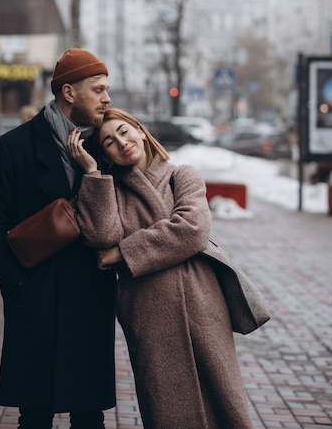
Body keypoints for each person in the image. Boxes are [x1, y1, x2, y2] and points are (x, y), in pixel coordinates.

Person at [68, 107, 254, 429]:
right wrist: (93, 173)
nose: (122, 143)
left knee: (223, 399)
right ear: (106, 154)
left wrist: (124, 253)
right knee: (165, 407)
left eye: (124, 132)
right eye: (110, 142)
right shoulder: (108, 189)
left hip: (200, 301)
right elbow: (101, 235)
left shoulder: (181, 175)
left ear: (140, 130)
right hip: (147, 311)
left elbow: (192, 230)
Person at [0, 49, 116, 429]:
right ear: (69, 92)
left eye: (107, 89)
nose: (107, 98)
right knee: (34, 416)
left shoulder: (107, 148)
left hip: (90, 298)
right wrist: (17, 284)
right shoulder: (12, 148)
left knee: (89, 417)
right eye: (98, 89)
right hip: (36, 300)